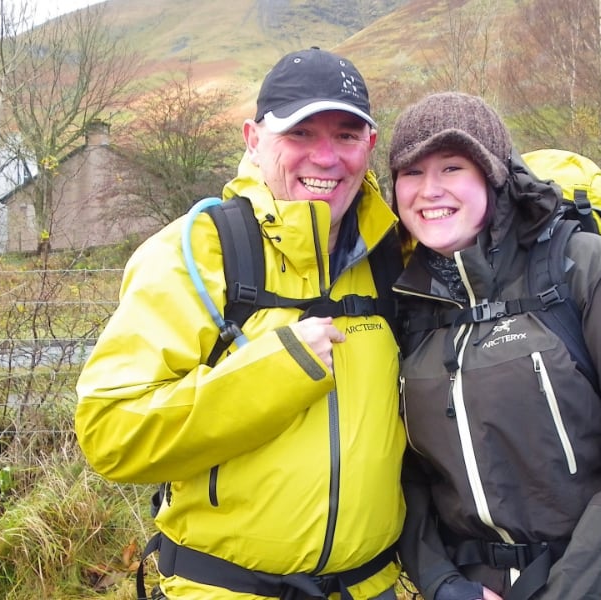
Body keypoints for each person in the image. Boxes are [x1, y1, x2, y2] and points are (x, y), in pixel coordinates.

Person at [75, 47, 406, 600]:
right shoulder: (195, 255)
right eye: (300, 133)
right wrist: (276, 372)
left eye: (346, 135)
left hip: (372, 587)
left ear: (369, 145)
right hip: (223, 589)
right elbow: (110, 433)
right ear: (254, 140)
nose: (326, 157)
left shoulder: (395, 255)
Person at [388, 92, 601, 600]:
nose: (429, 189)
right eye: (412, 172)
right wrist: (444, 584)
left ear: (494, 175)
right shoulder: (408, 303)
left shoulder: (587, 268)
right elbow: (408, 472)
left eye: (452, 167)